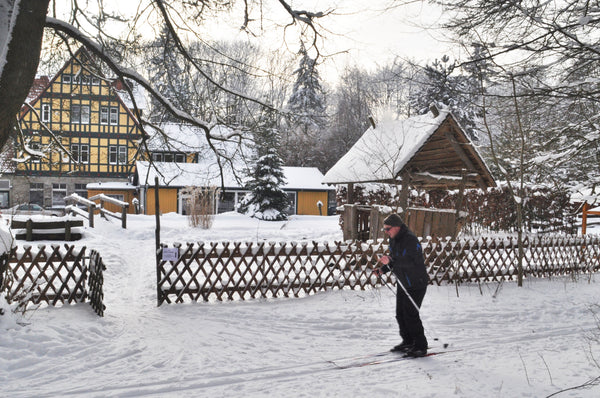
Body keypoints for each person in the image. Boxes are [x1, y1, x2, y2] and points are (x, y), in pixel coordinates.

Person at [374, 213, 429, 357]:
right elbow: (394, 259)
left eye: (388, 229)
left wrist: (390, 262)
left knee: (411, 315)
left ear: (397, 227)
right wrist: (382, 269)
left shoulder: (411, 240)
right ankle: (408, 341)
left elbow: (411, 262)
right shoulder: (393, 240)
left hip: (416, 282)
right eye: (385, 229)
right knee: (400, 314)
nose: (386, 232)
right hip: (403, 282)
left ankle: (420, 346)